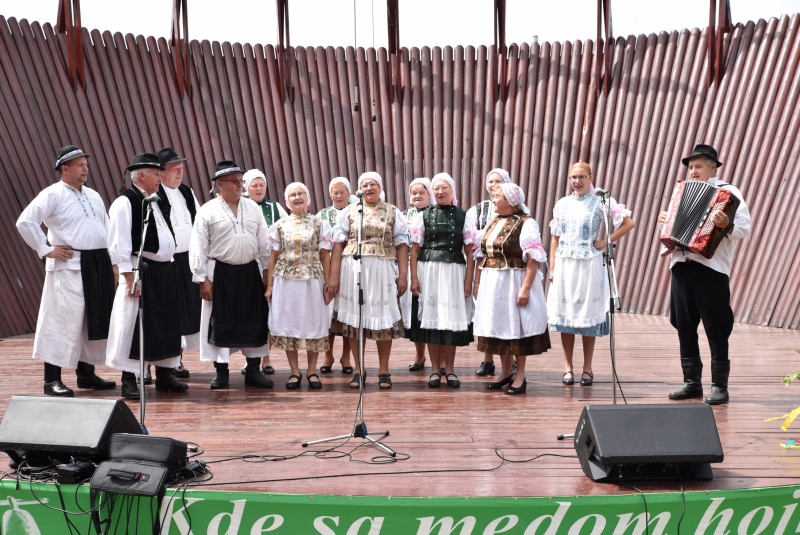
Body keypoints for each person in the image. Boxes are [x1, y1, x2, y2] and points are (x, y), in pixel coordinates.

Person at [16, 145, 117, 397]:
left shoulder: (93, 195)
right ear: (65, 168)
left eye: (86, 164)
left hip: (96, 264)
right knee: (63, 322)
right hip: (69, 266)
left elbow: (107, 228)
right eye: (80, 164)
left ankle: (86, 374)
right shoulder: (53, 194)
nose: (86, 168)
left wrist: (113, 263)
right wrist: (45, 248)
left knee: (90, 318)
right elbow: (25, 221)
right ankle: (51, 380)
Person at [659, 144, 750, 405]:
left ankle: (720, 386)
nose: (693, 171)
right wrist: (665, 221)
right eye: (690, 167)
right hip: (681, 264)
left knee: (717, 326)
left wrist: (726, 224)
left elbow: (744, 228)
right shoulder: (681, 191)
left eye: (698, 166)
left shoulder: (729, 193)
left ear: (714, 167)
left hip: (711, 269)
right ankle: (692, 383)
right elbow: (675, 230)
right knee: (683, 324)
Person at [106, 153, 188, 399]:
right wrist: (129, 276)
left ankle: (165, 374)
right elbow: (118, 242)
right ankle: (128, 378)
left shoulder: (156, 199)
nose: (160, 177)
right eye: (156, 173)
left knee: (165, 322)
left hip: (165, 270)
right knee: (133, 323)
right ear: (141, 175)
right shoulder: (125, 202)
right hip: (140, 269)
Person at [547, 161, 635, 387]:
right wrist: (553, 267)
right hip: (566, 263)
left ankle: (587, 367)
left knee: (586, 316)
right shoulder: (562, 204)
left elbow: (628, 223)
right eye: (573, 177)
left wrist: (605, 241)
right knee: (566, 315)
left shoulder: (601, 202)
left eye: (581, 177)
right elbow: (555, 237)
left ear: (590, 178)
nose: (577, 181)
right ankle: (568, 367)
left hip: (589, 263)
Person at [189, 160, 273, 390]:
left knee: (254, 320)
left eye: (240, 180)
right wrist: (202, 279)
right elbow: (198, 247)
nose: (240, 185)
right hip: (220, 274)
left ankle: (253, 370)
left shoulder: (253, 207)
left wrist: (268, 276)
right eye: (235, 181)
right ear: (220, 184)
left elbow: (264, 244)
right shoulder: (207, 211)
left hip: (249, 272)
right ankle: (221, 372)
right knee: (219, 323)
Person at [327, 171, 409, 390]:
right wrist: (333, 277)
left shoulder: (393, 212)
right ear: (360, 189)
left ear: (380, 188)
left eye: (373, 184)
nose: (369, 188)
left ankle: (383, 370)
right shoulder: (351, 211)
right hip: (353, 269)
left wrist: (403, 275)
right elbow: (337, 245)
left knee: (382, 318)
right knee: (356, 321)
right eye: (364, 185)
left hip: (382, 269)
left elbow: (402, 244)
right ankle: (359, 369)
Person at [472, 183, 550, 395]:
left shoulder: (526, 223)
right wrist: (477, 282)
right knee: (498, 326)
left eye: (497, 197)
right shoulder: (493, 221)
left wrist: (525, 288)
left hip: (513, 281)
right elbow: (481, 255)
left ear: (510, 201)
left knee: (517, 328)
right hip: (493, 283)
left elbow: (534, 259)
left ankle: (520, 375)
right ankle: (506, 371)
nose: (493, 200)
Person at [266, 182, 334, 389]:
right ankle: (294, 372)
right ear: (287, 202)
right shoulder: (279, 225)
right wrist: (269, 286)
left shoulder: (320, 224)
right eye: (293, 195)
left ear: (308, 197)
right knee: (290, 323)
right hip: (286, 281)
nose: (297, 198)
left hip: (313, 280)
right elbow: (273, 257)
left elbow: (325, 255)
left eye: (300, 193)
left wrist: (329, 282)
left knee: (312, 322)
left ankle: (312, 371)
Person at [409, 173, 474, 388]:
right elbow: (415, 250)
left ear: (452, 190)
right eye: (436, 188)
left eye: (444, 187)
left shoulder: (463, 216)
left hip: (454, 272)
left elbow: (470, 252)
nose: (440, 192)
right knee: (432, 319)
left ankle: (451, 370)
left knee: (449, 319)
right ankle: (435, 370)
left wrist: (468, 281)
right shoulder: (424, 216)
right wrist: (414, 278)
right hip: (428, 270)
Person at [156, 147, 200, 380]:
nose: (179, 171)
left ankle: (177, 359)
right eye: (174, 168)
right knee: (170, 311)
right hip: (168, 261)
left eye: (181, 167)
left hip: (187, 259)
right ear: (160, 173)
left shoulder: (186, 192)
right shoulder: (155, 194)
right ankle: (168, 362)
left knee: (185, 311)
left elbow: (200, 223)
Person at [466, 168, 514, 377]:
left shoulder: (517, 209)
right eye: (490, 181)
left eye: (498, 181)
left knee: (508, 313)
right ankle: (487, 359)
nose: (493, 184)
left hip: (509, 269)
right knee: (485, 313)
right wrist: (474, 279)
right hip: (484, 268)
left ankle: (510, 359)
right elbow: (472, 248)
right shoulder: (477, 211)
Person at [240, 169, 287, 376]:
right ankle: (250, 358)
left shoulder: (274, 207)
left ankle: (266, 357)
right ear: (246, 187)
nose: (259, 189)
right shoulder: (241, 207)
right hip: (249, 266)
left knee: (268, 312)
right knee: (251, 312)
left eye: (261, 185)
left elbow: (287, 228)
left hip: (271, 267)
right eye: (254, 185)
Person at [317, 177, 355, 375]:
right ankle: (328, 355)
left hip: (350, 267)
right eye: (335, 192)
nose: (339, 196)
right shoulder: (322, 215)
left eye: (342, 192)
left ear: (349, 194)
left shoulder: (357, 211)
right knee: (329, 312)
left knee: (348, 313)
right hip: (327, 265)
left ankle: (346, 356)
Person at [401, 177, 434, 372]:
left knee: (431, 311)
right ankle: (420, 355)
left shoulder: (435, 213)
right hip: (409, 267)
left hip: (430, 267)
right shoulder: (403, 214)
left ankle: (439, 358)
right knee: (414, 313)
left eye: (422, 192)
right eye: (414, 192)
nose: (417, 196)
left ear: (429, 194)